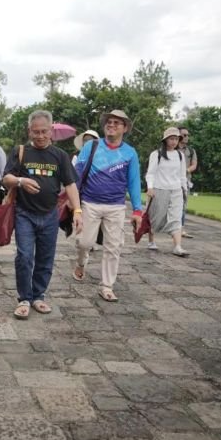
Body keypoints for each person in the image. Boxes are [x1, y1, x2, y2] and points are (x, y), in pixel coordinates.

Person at [2, 110, 82, 319]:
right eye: (35, 132)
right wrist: (21, 181)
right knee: (25, 256)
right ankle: (24, 299)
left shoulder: (60, 156)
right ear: (29, 131)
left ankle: (38, 295)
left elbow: (70, 184)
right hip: (24, 213)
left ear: (51, 131)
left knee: (46, 258)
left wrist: (78, 210)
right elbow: (6, 178)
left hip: (49, 215)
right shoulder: (20, 151)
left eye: (44, 131)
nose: (39, 136)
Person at [73, 109, 143, 303]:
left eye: (117, 123)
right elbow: (77, 175)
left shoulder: (130, 153)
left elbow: (134, 182)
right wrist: (75, 206)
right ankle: (81, 263)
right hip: (89, 203)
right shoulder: (91, 147)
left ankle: (107, 286)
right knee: (84, 243)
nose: (111, 125)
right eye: (109, 122)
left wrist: (137, 210)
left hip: (116, 206)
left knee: (113, 247)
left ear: (125, 128)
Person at [145, 127, 189, 257]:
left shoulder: (180, 155)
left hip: (176, 190)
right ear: (165, 140)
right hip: (159, 189)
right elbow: (150, 173)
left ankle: (177, 246)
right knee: (155, 217)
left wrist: (184, 190)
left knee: (176, 217)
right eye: (171, 138)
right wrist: (150, 187)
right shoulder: (156, 154)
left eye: (176, 139)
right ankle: (151, 241)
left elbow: (182, 175)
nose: (174, 141)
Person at [178, 126, 197, 238]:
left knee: (183, 206)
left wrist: (185, 170)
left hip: (185, 180)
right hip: (171, 180)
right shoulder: (172, 149)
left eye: (187, 135)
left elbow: (194, 165)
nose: (186, 137)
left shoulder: (191, 151)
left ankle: (181, 229)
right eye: (184, 135)